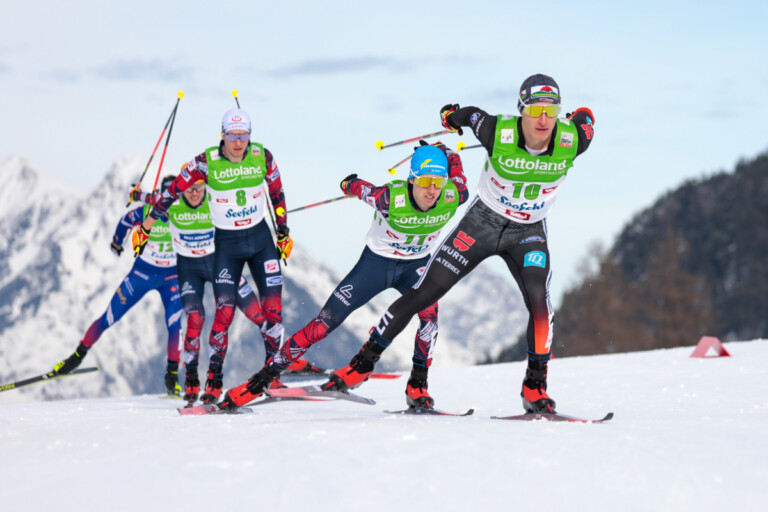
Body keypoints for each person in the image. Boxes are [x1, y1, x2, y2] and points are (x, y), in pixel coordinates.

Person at [319, 74, 594, 414]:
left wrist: (580, 115)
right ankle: (362, 364)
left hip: (528, 232)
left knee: (541, 305)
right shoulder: (497, 131)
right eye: (535, 109)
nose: (543, 119)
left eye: (551, 111)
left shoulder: (573, 140)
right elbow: (470, 115)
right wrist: (450, 117)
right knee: (422, 294)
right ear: (521, 110)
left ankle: (535, 388)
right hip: (483, 224)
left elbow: (585, 120)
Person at [212, 142, 469, 411]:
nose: (432, 190)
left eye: (438, 182)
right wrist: (349, 184)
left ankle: (417, 385)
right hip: (376, 266)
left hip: (416, 267)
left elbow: (457, 168)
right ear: (412, 179)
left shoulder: (455, 194)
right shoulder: (389, 198)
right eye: (426, 181)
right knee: (323, 325)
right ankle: (261, 380)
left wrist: (446, 149)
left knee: (430, 321)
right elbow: (362, 189)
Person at [133, 108, 293, 404]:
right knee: (225, 312)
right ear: (222, 135)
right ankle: (214, 380)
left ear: (249, 135)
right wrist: (146, 227)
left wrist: (283, 232)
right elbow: (169, 194)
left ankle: (273, 374)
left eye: (243, 135)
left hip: (260, 240)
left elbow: (277, 192)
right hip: (228, 246)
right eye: (232, 136)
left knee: (273, 307)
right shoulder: (204, 163)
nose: (238, 142)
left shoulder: (263, 157)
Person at [135, 178, 279, 404]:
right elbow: (146, 199)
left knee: (254, 312)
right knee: (195, 318)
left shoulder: (214, 199)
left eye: (200, 188)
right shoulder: (170, 201)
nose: (195, 193)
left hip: (217, 263)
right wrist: (135, 195)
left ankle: (276, 364)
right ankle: (193, 382)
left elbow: (239, 203)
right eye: (190, 189)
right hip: (188, 268)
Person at [53, 176, 184, 395]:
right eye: (165, 197)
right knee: (109, 317)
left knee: (175, 325)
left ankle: (172, 376)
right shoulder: (145, 211)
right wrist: (117, 242)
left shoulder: (182, 212)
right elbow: (125, 220)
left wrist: (136, 196)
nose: (169, 202)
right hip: (142, 273)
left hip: (171, 276)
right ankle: (76, 357)